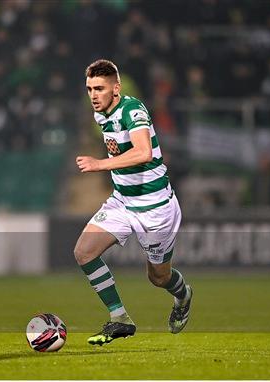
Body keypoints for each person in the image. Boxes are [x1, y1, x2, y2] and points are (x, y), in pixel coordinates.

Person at [74, 59, 192, 346]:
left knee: (158, 278)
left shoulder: (133, 109)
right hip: (123, 201)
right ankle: (120, 319)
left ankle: (183, 295)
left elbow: (144, 152)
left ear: (116, 88)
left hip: (155, 208)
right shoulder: (100, 114)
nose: (93, 95)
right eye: (90, 88)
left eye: (100, 88)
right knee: (84, 252)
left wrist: (100, 164)